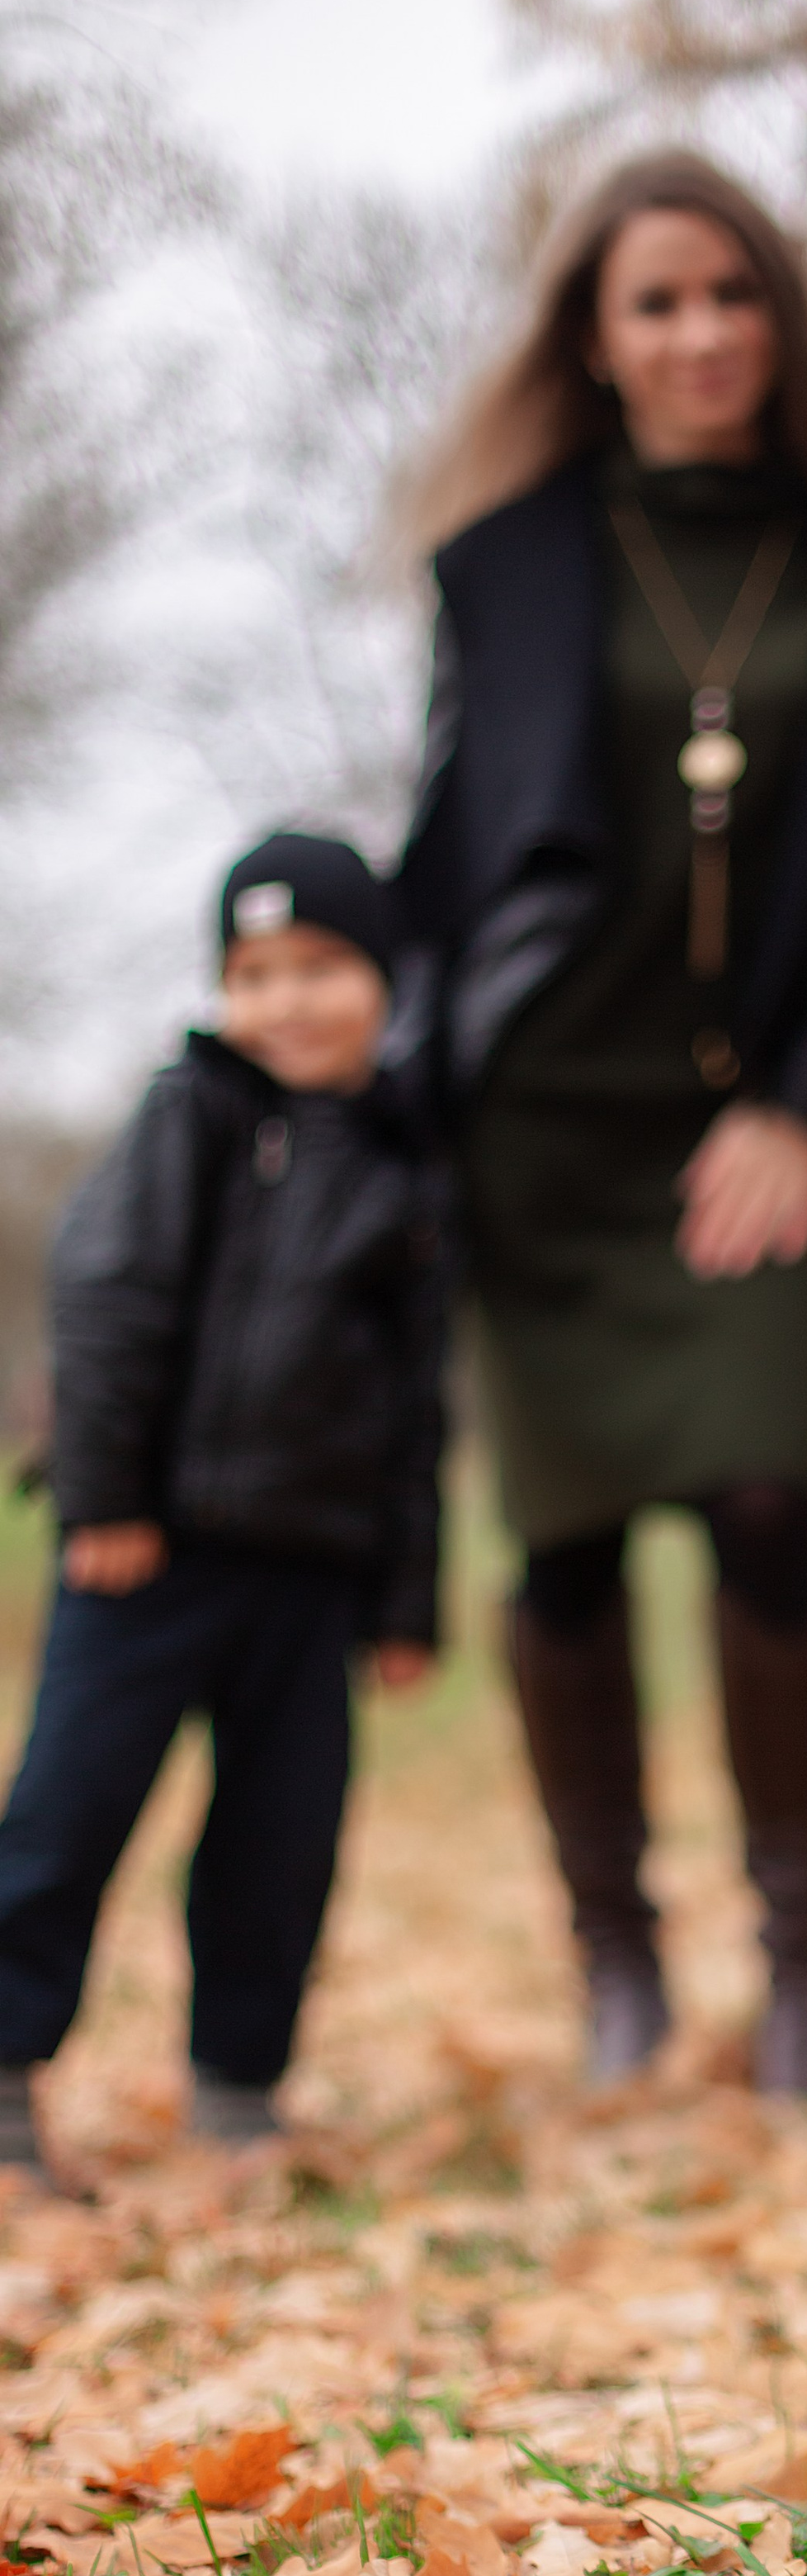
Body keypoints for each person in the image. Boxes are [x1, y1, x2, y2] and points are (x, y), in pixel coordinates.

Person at [397, 150, 807, 2098]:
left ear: (776, 320)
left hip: (752, 1125)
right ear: (597, 340)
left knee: (767, 1517)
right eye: (656, 303)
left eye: (732, 294)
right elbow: (457, 847)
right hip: (543, 1127)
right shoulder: (512, 560)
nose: (701, 332)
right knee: (560, 1548)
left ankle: (803, 1964)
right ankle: (613, 1963)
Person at [0, 837, 445, 2180]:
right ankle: (8, 2064)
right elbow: (109, 1301)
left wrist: (404, 1595)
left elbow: (415, 1405)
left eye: (320, 968)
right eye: (255, 975)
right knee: (69, 1813)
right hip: (151, 1552)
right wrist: (105, 1493)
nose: (287, 1003)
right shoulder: (190, 1115)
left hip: (310, 1575)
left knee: (280, 1839)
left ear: (385, 980)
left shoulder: (405, 1164)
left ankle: (239, 2083)